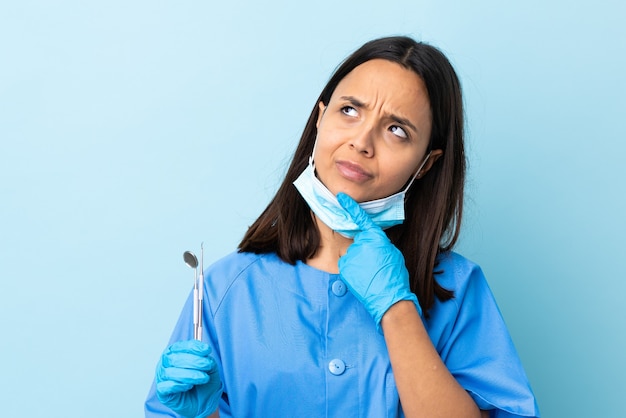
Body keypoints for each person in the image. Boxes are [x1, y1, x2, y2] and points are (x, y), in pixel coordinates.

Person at [145, 36, 540, 418]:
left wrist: (397, 309)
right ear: (320, 119)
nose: (362, 142)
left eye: (397, 130)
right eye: (349, 111)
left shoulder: (457, 289)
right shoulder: (225, 289)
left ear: (427, 165)